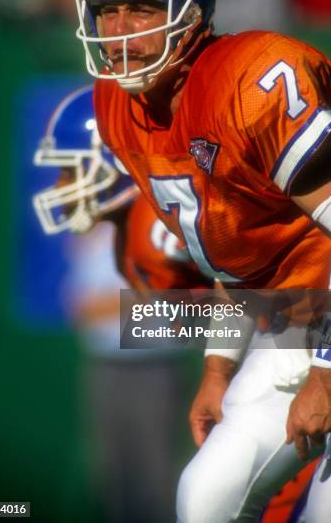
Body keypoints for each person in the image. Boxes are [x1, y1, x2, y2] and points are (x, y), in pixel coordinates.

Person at [73, 0, 331, 522]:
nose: (121, 31)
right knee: (204, 498)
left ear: (191, 9)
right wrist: (217, 367)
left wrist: (330, 373)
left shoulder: (250, 79)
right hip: (287, 324)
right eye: (108, 11)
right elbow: (231, 260)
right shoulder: (117, 105)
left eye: (142, 9)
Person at [33, 84, 211, 523]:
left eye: (74, 170)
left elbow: (201, 316)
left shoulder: (165, 220)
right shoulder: (94, 227)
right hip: (103, 363)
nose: (63, 185)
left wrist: (118, 310)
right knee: (114, 484)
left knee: (155, 485)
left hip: (154, 367)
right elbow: (80, 305)